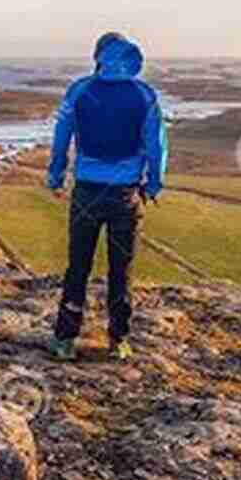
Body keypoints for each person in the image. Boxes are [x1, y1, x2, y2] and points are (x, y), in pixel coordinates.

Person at [45, 32, 167, 362]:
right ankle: (119, 341)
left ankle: (65, 340)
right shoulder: (144, 95)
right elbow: (156, 146)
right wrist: (153, 185)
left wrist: (55, 176)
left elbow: (61, 138)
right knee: (121, 269)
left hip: (86, 191)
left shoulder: (80, 90)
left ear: (98, 57)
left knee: (78, 267)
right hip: (126, 195)